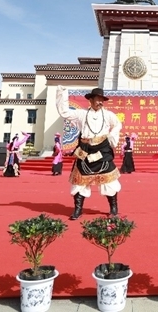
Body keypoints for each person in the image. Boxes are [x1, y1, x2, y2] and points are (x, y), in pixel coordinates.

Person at [56, 86, 122, 220]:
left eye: (102, 100)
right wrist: (62, 93)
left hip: (103, 150)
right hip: (85, 149)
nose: (100, 102)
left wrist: (111, 137)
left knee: (109, 181)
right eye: (97, 99)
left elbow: (118, 125)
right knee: (79, 181)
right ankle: (78, 209)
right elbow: (64, 112)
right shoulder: (81, 114)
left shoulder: (108, 115)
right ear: (90, 100)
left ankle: (113, 208)